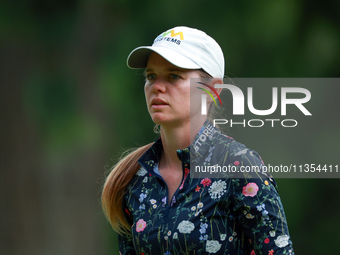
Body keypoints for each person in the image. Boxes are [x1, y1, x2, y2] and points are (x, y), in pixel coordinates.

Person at [102, 26, 294, 255]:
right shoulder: (134, 179)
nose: (157, 87)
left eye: (174, 76)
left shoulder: (240, 166)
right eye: (151, 76)